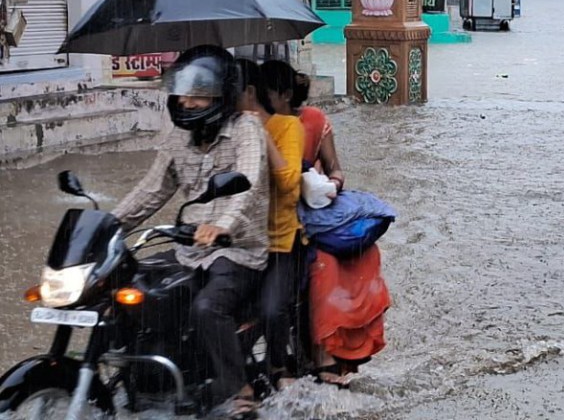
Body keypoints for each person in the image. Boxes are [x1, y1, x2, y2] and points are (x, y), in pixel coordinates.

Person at [111, 45, 269, 419]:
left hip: (237, 248)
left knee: (207, 307)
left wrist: (221, 226)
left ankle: (240, 391)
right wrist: (107, 226)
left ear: (223, 95)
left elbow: (247, 183)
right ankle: (136, 376)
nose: (187, 101)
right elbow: (151, 190)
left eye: (199, 94)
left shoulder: (246, 129)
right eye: (183, 91)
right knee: (127, 290)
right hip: (187, 248)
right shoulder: (179, 138)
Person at [273, 69, 390, 388]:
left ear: (282, 96)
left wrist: (329, 185)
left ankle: (326, 355)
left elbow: (336, 167)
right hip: (270, 220)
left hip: (313, 220)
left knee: (324, 276)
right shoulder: (253, 125)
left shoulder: (311, 120)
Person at [238, 59, 306, 391]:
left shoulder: (287, 127)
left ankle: (280, 368)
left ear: (249, 93)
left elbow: (290, 182)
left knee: (271, 309)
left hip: (279, 241)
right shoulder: (225, 131)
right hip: (236, 241)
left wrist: (260, 135)